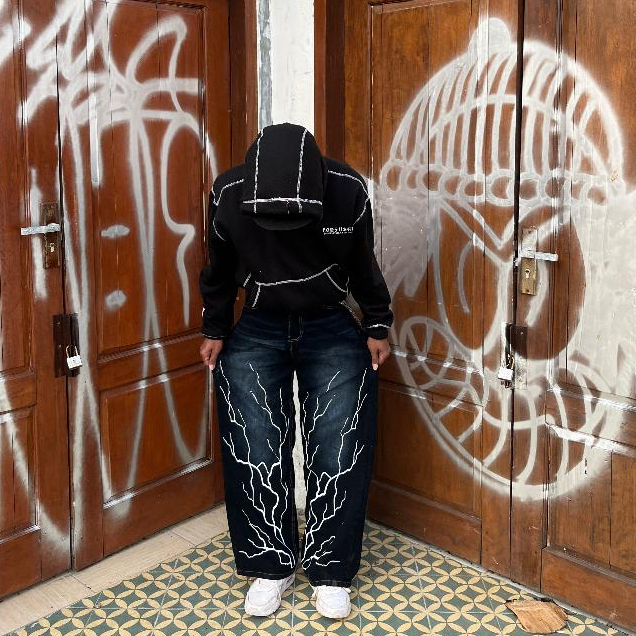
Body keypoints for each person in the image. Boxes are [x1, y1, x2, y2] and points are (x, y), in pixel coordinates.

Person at [198, 123, 393, 619]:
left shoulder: (346, 189)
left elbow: (364, 262)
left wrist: (377, 323)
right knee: (253, 445)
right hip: (258, 322)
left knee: (339, 445)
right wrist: (215, 326)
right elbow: (218, 268)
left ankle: (331, 570)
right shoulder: (228, 193)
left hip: (329, 320)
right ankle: (271, 565)